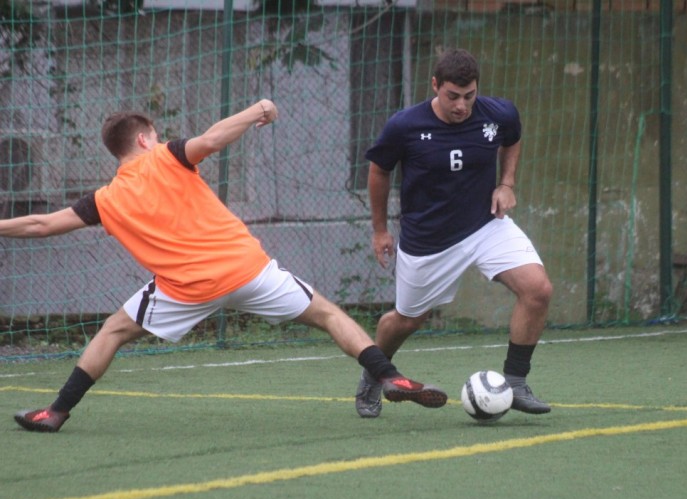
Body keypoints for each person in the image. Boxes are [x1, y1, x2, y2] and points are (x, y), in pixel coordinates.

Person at [3, 100, 447, 433]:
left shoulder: (102, 200)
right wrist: (257, 109)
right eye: (155, 135)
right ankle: (390, 376)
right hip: (248, 270)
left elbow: (42, 225)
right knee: (329, 314)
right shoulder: (167, 156)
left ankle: (55, 412)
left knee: (114, 331)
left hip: (185, 289)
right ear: (144, 139)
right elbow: (213, 139)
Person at [355, 49, 553, 418]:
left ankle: (517, 382)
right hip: (429, 240)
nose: (462, 105)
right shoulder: (404, 126)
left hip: (485, 224)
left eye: (469, 96)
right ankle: (373, 374)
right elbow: (378, 171)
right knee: (407, 320)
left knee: (537, 290)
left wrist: (507, 183)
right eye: (452, 96)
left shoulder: (499, 114)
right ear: (434, 86)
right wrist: (380, 230)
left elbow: (512, 139)